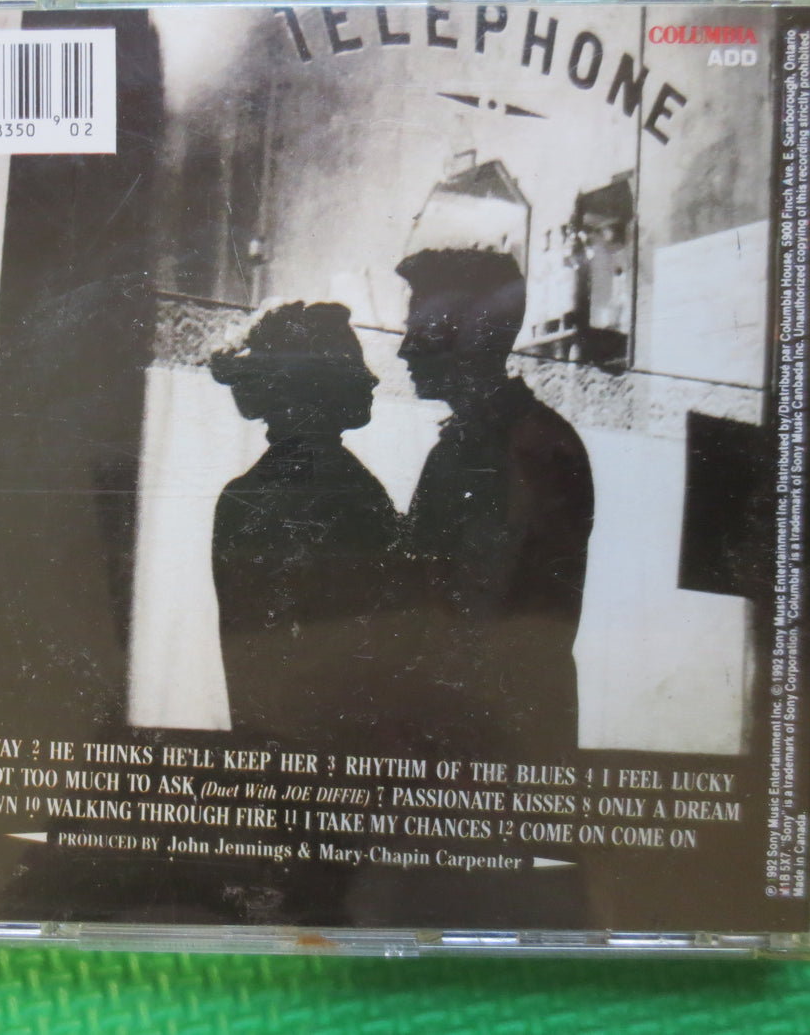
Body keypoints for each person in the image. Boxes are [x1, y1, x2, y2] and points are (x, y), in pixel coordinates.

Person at [396, 248, 594, 761]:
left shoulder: (529, 447)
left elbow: (477, 612)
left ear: (473, 337)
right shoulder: (472, 443)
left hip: (495, 739)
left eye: (421, 331)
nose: (404, 352)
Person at [210, 301, 404, 741]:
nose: (371, 378)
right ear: (313, 383)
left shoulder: (253, 492)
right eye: (352, 365)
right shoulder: (325, 486)